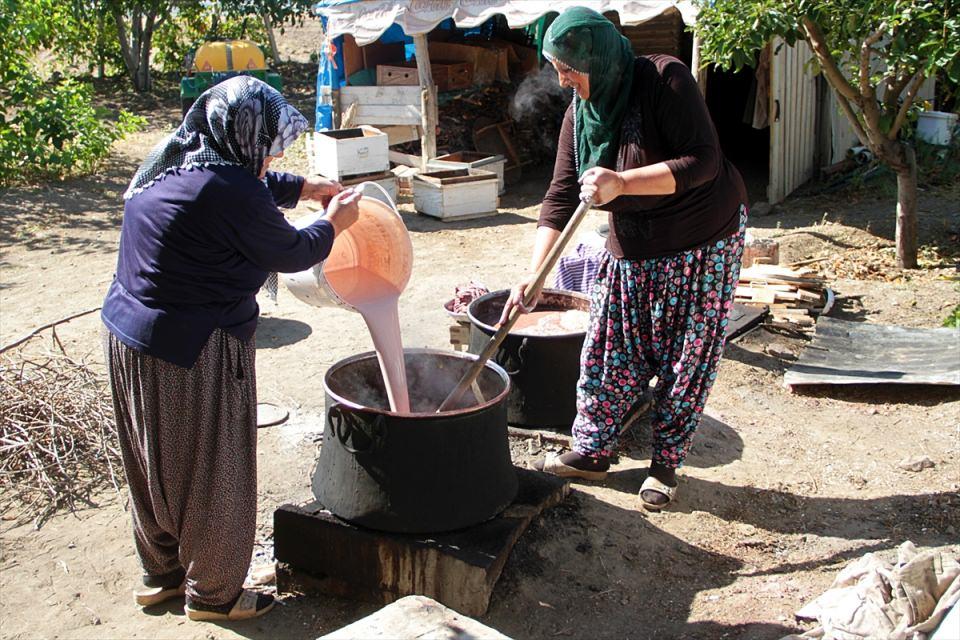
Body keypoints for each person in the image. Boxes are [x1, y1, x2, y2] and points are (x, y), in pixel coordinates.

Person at [101, 76, 360, 621]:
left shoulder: (177, 157)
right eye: (268, 147)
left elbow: (250, 186)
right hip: (195, 349)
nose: (273, 158)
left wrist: (305, 187)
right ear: (243, 138)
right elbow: (292, 250)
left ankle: (162, 576)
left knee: (156, 461)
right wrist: (333, 220)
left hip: (131, 336)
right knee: (214, 468)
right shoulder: (230, 190)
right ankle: (215, 595)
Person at [502, 7, 748, 511]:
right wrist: (533, 276)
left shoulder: (663, 79)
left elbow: (704, 161)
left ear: (599, 57)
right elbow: (560, 195)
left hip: (702, 239)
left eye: (571, 68)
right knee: (608, 348)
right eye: (556, 68)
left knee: (686, 359)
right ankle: (592, 450)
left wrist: (622, 182)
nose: (563, 79)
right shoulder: (581, 114)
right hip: (634, 242)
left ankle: (664, 467)